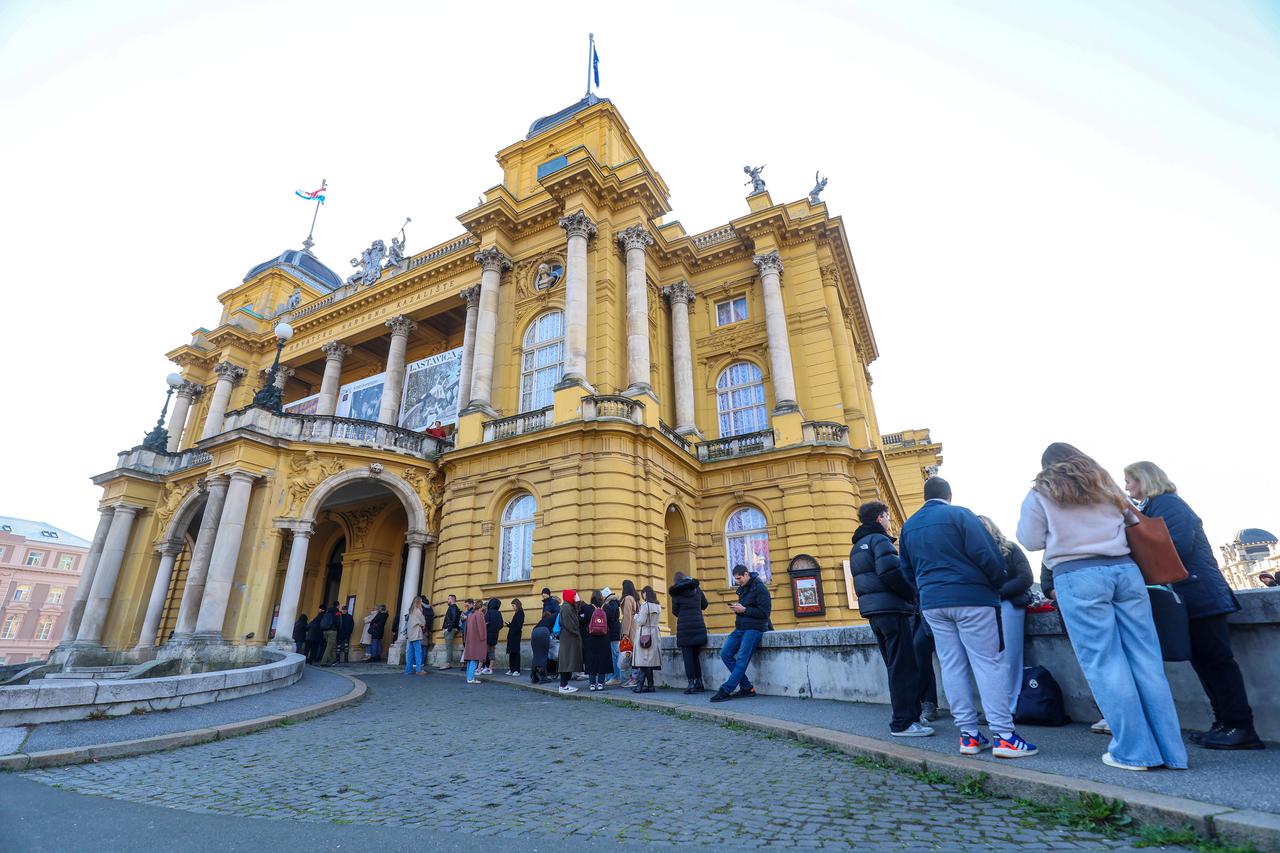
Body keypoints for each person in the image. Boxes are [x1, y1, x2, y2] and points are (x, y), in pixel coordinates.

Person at [1016, 443, 1186, 771]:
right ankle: (1172, 751)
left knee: (1105, 663)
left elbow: (1031, 540)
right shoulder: (1105, 486)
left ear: (1048, 465)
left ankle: (1135, 752)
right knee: (1147, 660)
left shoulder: (1041, 492)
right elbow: (1132, 521)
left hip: (1078, 576)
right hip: (1125, 572)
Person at [1124, 461, 1262, 750]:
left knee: (1217, 663)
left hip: (1201, 595)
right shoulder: (1156, 507)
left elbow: (1176, 547)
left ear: (1145, 479)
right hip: (1192, 597)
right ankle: (1224, 724)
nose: (1127, 488)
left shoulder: (1168, 504)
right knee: (1205, 664)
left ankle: (1240, 726)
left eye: (1130, 481)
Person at [900, 477, 1038, 758]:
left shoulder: (909, 526)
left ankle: (969, 735)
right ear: (949, 494)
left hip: (933, 603)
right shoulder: (960, 515)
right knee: (989, 664)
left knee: (951, 666)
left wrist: (926, 589)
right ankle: (1004, 736)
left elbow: (906, 570)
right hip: (972, 599)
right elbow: (987, 555)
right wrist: (996, 581)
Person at [850, 501, 933, 738]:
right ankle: (904, 723)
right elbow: (890, 572)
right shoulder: (879, 541)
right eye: (887, 517)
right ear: (879, 518)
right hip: (892, 609)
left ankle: (909, 718)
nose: (889, 521)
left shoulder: (857, 546)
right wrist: (912, 593)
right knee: (904, 666)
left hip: (875, 612)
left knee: (895, 665)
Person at [978, 514, 1034, 717]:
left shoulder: (1010, 548)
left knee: (1010, 656)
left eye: (983, 525)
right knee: (990, 659)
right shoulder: (975, 555)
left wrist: (999, 594)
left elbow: (1026, 577)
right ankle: (995, 706)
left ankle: (1009, 706)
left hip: (1009, 604)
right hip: (985, 608)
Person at [710, 565, 771, 702]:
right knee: (725, 653)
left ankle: (726, 689)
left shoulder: (760, 588)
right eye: (736, 579)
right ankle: (747, 688)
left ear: (746, 574)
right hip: (740, 628)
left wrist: (744, 610)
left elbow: (764, 613)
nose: (738, 581)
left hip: (754, 629)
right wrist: (738, 609)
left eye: (739, 578)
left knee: (742, 658)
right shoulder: (743, 589)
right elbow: (746, 608)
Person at [669, 571, 709, 695]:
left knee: (688, 657)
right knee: (695, 656)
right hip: (698, 627)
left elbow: (675, 611)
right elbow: (704, 605)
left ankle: (691, 683)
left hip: (685, 629)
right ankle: (699, 682)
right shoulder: (697, 590)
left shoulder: (676, 593)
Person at [632, 585, 663, 693]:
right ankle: (650, 685)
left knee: (643, 661)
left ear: (645, 594)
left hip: (644, 634)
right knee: (648, 661)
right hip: (654, 634)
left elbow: (641, 621)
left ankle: (639, 686)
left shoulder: (645, 606)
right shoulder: (658, 606)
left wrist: (635, 616)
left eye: (643, 594)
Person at [583, 590, 613, 691]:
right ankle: (600, 683)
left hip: (591, 638)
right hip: (604, 638)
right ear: (601, 597)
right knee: (603, 660)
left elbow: (583, 622)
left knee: (591, 660)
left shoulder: (587, 608)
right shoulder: (607, 608)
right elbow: (611, 622)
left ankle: (592, 684)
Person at [555, 590, 584, 693]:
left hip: (569, 637)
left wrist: (578, 602)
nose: (576, 597)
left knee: (568, 661)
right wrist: (577, 632)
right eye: (575, 595)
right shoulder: (566, 607)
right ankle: (563, 685)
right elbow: (570, 624)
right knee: (566, 661)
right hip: (569, 638)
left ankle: (564, 684)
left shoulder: (568, 606)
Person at [620, 580, 640, 687]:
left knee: (631, 654)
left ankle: (634, 679)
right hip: (636, 627)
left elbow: (627, 616)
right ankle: (635, 677)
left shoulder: (627, 598)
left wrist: (625, 633)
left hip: (630, 628)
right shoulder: (635, 599)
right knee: (635, 654)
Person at [601, 587, 623, 686]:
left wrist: (604, 608)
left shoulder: (611, 604)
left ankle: (616, 677)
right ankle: (613, 676)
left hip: (613, 633)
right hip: (614, 632)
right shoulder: (613, 603)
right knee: (613, 655)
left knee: (614, 655)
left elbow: (609, 617)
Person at [463, 600, 488, 683]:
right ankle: (471, 678)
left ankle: (469, 677)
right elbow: (481, 629)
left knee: (470, 659)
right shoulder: (480, 614)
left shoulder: (470, 615)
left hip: (469, 639)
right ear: (482, 607)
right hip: (477, 640)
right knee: (475, 658)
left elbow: (466, 628)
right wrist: (483, 638)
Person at [529, 606, 554, 684]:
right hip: (543, 632)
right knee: (543, 655)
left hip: (534, 632)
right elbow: (554, 631)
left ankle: (534, 676)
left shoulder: (540, 621)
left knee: (536, 655)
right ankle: (543, 677)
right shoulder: (550, 619)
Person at [404, 596, 427, 676]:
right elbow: (422, 621)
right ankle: (418, 670)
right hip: (416, 633)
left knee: (410, 653)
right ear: (419, 602)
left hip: (410, 633)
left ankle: (408, 670)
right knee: (418, 652)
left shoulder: (411, 610)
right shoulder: (418, 610)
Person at [439, 594, 462, 669]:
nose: (447, 600)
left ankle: (448, 663)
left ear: (452, 599)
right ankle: (448, 663)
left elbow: (454, 618)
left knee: (449, 647)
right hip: (451, 629)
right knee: (448, 646)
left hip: (450, 629)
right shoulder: (453, 608)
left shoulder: (453, 607)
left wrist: (449, 628)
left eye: (448, 599)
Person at [505, 598, 525, 676]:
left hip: (515, 635)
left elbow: (519, 625)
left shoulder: (520, 613)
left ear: (517, 605)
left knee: (515, 652)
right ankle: (512, 669)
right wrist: (509, 625)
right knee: (511, 652)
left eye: (513, 605)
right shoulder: (517, 613)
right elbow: (515, 624)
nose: (512, 607)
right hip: (513, 634)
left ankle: (516, 670)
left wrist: (512, 627)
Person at [482, 598, 502, 675]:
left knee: (485, 652)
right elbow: (501, 625)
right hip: (495, 635)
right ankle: (490, 668)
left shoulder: (489, 612)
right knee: (492, 652)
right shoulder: (499, 613)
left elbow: (485, 623)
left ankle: (484, 667)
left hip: (487, 634)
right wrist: (496, 629)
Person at [320, 602, 340, 666]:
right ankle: (323, 662)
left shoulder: (327, 612)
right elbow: (338, 623)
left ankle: (333, 660)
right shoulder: (337, 612)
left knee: (332, 646)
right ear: (338, 606)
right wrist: (338, 629)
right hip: (332, 631)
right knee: (329, 647)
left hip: (325, 631)